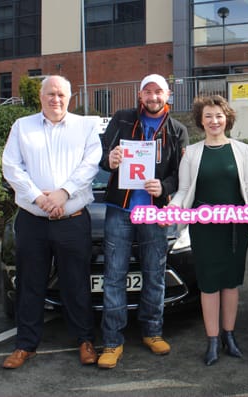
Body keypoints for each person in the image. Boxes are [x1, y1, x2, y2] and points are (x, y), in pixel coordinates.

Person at [1, 75, 102, 369]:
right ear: (41, 96)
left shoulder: (85, 127)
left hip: (72, 219)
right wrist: (39, 198)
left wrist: (62, 194)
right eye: (50, 94)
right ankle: (25, 345)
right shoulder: (22, 126)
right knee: (29, 284)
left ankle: (85, 340)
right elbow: (11, 166)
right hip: (33, 219)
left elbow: (90, 165)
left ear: (70, 98)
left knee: (76, 283)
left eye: (61, 94)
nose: (55, 99)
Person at [97, 74, 189, 368]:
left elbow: (181, 173)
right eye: (147, 92)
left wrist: (165, 187)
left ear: (167, 95)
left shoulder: (177, 130)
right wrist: (109, 160)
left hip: (154, 212)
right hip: (119, 210)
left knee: (154, 273)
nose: (153, 97)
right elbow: (99, 156)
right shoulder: (122, 119)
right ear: (140, 95)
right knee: (113, 275)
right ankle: (112, 341)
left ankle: (152, 331)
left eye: (158, 91)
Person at [169, 95, 248, 366]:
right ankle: (211, 340)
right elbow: (184, 190)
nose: (214, 121)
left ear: (227, 119)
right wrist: (173, 209)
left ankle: (229, 336)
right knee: (209, 285)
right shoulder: (193, 153)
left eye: (218, 115)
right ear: (201, 121)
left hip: (235, 225)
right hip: (203, 226)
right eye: (208, 116)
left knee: (231, 283)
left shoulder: (241, 150)